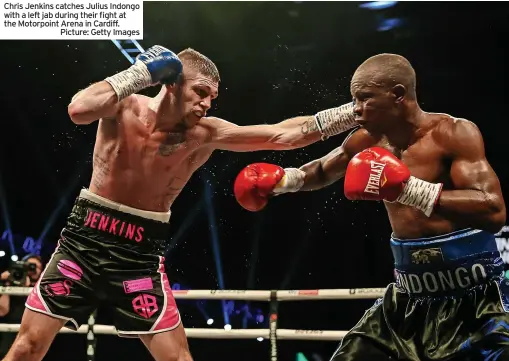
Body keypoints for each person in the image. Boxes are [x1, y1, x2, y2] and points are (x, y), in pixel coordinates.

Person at [2, 45, 359, 361]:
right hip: (83, 243)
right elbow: (79, 109)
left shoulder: (205, 134)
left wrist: (355, 112)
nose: (206, 104)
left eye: (212, 98)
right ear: (171, 82)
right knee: (27, 348)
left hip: (140, 256)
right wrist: (139, 73)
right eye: (200, 92)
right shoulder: (124, 106)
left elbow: (285, 135)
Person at [234, 53, 508, 360]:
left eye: (365, 99)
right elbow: (324, 170)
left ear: (399, 95)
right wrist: (285, 180)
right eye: (354, 100)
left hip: (476, 299)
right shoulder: (367, 140)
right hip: (407, 299)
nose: (356, 110)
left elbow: (493, 211)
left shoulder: (453, 133)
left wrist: (407, 189)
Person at [0, 255, 43, 359]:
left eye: (36, 267)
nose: (33, 269)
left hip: (33, 335)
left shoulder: (43, 287)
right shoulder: (12, 282)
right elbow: (2, 311)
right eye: (30, 266)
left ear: (41, 271)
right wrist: (7, 284)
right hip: (9, 334)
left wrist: (29, 289)